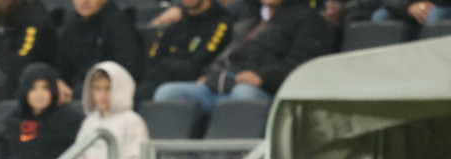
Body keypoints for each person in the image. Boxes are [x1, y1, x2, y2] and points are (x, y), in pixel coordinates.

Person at [153, 0, 333, 115]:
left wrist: (262, 77)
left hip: (265, 92)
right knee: (168, 93)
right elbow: (228, 53)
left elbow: (302, 65)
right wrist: (209, 74)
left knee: (243, 94)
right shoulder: (248, 15)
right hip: (223, 85)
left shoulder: (308, 19)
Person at [0, 62, 83, 159]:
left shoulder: (70, 121)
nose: (39, 94)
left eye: (45, 88)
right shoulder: (9, 125)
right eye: (33, 88)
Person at [0, 0, 63, 104]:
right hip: (0, 88)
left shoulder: (36, 19)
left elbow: (17, 67)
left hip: (34, 85)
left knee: (7, 90)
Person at [137, 0, 233, 103]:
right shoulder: (175, 20)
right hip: (159, 80)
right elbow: (153, 59)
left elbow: (197, 65)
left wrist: (165, 65)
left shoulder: (221, 20)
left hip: (194, 84)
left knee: (163, 92)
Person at [56, 0, 144, 99]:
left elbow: (128, 69)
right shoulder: (71, 28)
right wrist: (59, 82)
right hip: (78, 92)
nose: (84, 1)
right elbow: (63, 68)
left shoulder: (119, 25)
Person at [372, 0, 451, 24]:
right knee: (380, 16)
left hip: (442, 5)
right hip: (409, 6)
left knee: (433, 15)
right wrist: (408, 7)